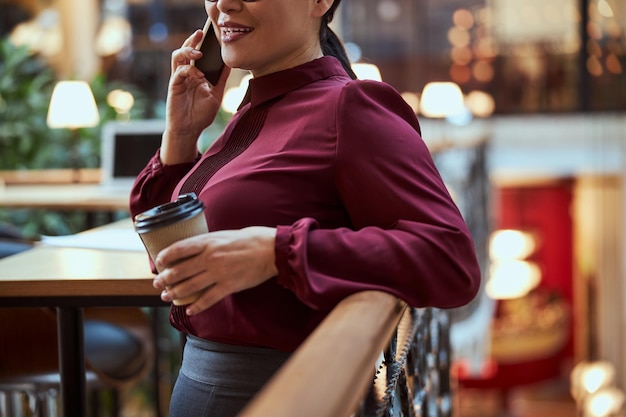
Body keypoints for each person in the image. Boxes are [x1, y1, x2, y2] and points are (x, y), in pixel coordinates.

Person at [129, 0, 481, 415]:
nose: (223, 3)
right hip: (201, 386)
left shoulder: (352, 106)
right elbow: (167, 258)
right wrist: (181, 136)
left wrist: (277, 253)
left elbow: (450, 259)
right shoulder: (250, 115)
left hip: (278, 394)